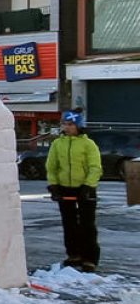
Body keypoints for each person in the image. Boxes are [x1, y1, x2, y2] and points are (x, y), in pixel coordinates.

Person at [46, 109, 102, 273]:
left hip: (85, 188)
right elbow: (51, 166)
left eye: (71, 124)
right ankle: (74, 255)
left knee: (87, 224)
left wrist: (88, 186)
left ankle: (89, 258)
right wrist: (54, 185)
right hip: (65, 187)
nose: (67, 127)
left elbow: (95, 167)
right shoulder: (57, 144)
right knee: (69, 224)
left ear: (78, 126)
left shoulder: (88, 144)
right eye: (65, 124)